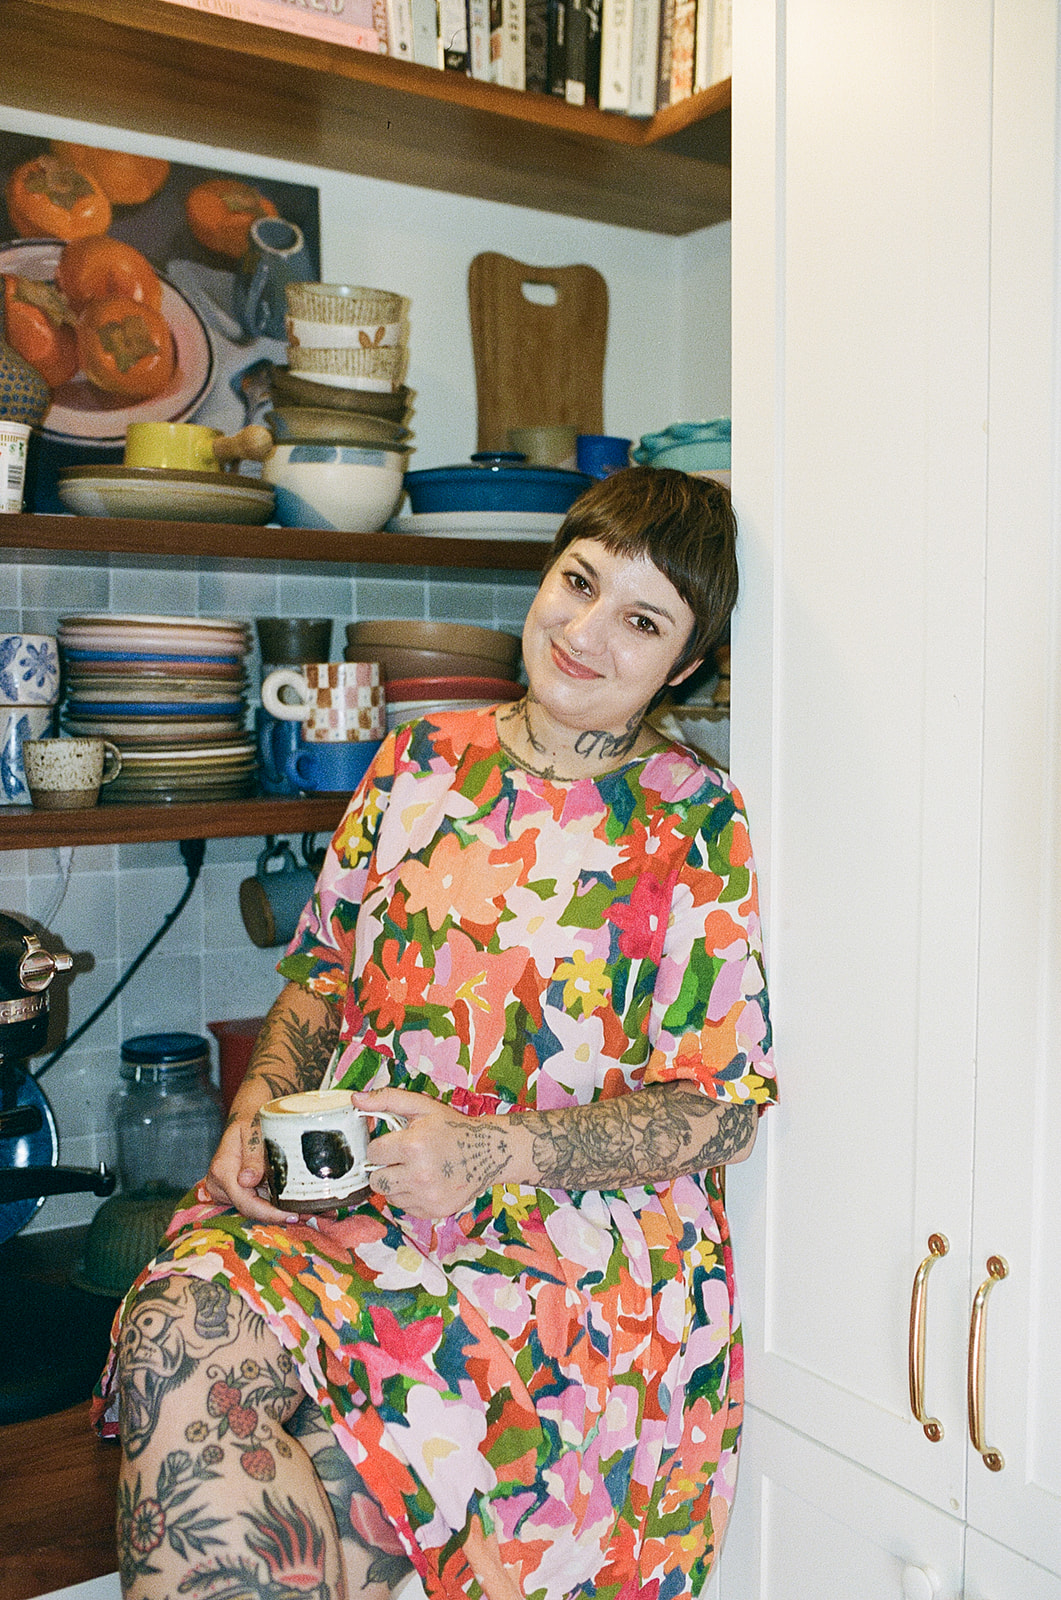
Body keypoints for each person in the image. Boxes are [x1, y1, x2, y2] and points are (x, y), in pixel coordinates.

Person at [95, 465, 776, 1600]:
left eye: (641, 620)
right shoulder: (419, 759)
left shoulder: (692, 819)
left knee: (315, 1499)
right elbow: (322, 972)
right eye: (579, 582)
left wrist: (486, 1152)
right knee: (178, 1325)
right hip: (358, 1205)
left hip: (563, 1257)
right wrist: (257, 1105)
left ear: (685, 667)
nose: (584, 634)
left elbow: (719, 1109)